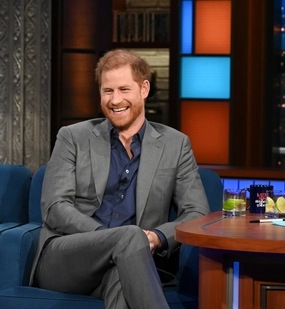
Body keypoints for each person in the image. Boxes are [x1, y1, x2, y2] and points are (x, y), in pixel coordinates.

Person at [29, 49, 210, 308]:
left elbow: (197, 212)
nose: (115, 100)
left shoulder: (175, 144)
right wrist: (111, 238)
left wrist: (157, 237)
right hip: (67, 257)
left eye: (124, 89)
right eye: (107, 91)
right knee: (128, 238)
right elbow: (55, 208)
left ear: (144, 89)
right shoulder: (73, 137)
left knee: (122, 273)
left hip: (133, 259)